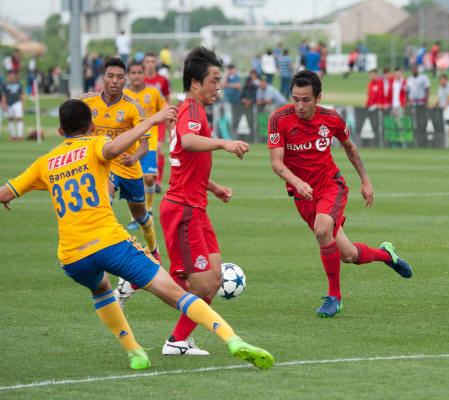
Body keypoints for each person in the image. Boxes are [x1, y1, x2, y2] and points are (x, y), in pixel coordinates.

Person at [0, 98, 274, 370]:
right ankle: (233, 340)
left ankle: (135, 352)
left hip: (72, 256)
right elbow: (112, 148)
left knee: (101, 288)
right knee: (175, 293)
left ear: (61, 131)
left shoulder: (45, 162)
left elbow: (5, 193)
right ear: (92, 127)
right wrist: (153, 120)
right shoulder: (95, 144)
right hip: (109, 243)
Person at [267, 70, 412, 318]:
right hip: (303, 195)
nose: (300, 106)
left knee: (322, 229)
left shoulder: (331, 119)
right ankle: (386, 255)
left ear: (318, 98)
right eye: (295, 99)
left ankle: (334, 297)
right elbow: (276, 163)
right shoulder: (279, 119)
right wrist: (297, 183)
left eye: (306, 100)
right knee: (348, 255)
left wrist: (365, 181)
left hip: (330, 186)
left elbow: (350, 148)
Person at [158, 47, 253, 356]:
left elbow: (184, 161)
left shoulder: (192, 110)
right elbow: (187, 142)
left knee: (213, 280)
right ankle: (141, 280)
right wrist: (225, 143)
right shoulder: (193, 110)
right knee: (199, 285)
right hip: (183, 208)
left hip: (196, 205)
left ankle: (178, 340)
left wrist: (213, 188)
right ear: (195, 83)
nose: (218, 87)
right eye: (213, 80)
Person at [81, 58, 160, 262]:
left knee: (141, 216)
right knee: (103, 204)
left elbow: (144, 145)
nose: (115, 81)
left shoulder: (133, 107)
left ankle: (153, 250)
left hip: (128, 167)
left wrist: (134, 158)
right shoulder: (86, 102)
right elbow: (71, 122)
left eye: (119, 77)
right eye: (110, 76)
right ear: (103, 78)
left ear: (125, 80)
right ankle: (106, 252)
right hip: (102, 165)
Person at [122, 61, 167, 231]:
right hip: (129, 144)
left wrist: (167, 135)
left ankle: (148, 209)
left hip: (149, 141)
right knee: (132, 181)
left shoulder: (154, 92)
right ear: (128, 75)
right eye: (133, 73)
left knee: (148, 178)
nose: (136, 76)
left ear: (144, 74)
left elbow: (164, 112)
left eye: (139, 72)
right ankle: (134, 217)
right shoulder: (123, 95)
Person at [143, 52, 171, 193]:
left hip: (158, 121)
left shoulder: (162, 80)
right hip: (141, 122)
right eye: (147, 61)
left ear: (156, 63)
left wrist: (169, 123)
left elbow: (167, 100)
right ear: (144, 63)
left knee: (158, 148)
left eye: (152, 61)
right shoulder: (139, 79)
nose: (150, 64)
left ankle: (158, 181)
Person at [1, 70, 25, 141]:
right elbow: (4, 95)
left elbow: (21, 95)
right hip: (9, 104)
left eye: (12, 75)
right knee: (10, 119)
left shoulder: (19, 84)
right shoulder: (5, 85)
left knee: (19, 118)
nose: (11, 77)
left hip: (17, 103)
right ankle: (13, 135)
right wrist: (4, 104)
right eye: (10, 75)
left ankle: (20, 135)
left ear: (15, 76)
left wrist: (23, 104)